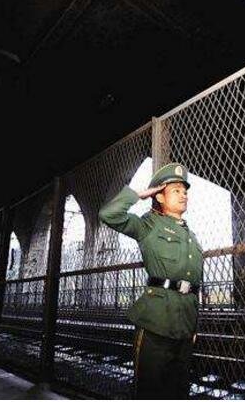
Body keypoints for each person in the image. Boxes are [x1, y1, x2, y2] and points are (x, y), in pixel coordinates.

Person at [99, 162, 203, 399]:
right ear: (160, 197)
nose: (184, 195)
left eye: (184, 191)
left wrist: (194, 327)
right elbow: (108, 215)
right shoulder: (148, 225)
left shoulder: (191, 236)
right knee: (149, 391)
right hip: (156, 323)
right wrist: (139, 194)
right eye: (176, 190)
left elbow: (193, 286)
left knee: (178, 392)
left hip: (185, 327)